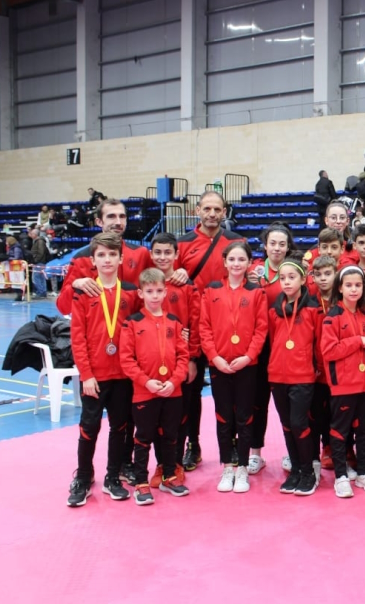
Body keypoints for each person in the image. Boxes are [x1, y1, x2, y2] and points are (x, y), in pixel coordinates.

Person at [66, 233, 142, 507]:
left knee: (120, 428)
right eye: (102, 255)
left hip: (123, 375)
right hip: (94, 377)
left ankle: (112, 477)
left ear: (121, 258)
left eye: (112, 254)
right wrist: (86, 374)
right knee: (89, 427)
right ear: (93, 260)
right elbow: (78, 337)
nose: (107, 260)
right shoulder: (84, 293)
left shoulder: (132, 293)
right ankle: (84, 477)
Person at [175, 191, 244, 472]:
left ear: (224, 211)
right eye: (207, 208)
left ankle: (235, 444)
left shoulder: (237, 242)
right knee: (189, 390)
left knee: (231, 392)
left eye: (217, 209)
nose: (212, 214)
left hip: (227, 327)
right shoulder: (182, 244)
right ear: (197, 210)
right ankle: (193, 443)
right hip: (191, 326)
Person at [199, 242, 268, 494]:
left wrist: (249, 357)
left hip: (247, 364)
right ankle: (227, 465)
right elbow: (204, 327)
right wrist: (214, 357)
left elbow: (262, 329)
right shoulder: (211, 290)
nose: (237, 264)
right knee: (223, 416)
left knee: (244, 416)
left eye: (242, 260)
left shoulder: (256, 292)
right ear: (225, 262)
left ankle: (242, 469)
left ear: (249, 263)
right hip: (219, 364)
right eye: (232, 259)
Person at [119, 268, 190, 505]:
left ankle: (169, 476)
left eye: (159, 291)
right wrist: (146, 381)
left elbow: (183, 356)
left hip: (172, 391)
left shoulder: (174, 322)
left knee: (171, 436)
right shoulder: (132, 323)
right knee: (144, 438)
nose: (155, 296)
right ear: (140, 293)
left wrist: (173, 381)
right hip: (144, 392)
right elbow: (126, 360)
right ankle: (141, 481)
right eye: (149, 291)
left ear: (165, 291)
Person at [320, 266, 365, 498]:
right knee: (340, 432)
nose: (354, 289)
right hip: (342, 386)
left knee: (364, 431)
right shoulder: (332, 317)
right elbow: (329, 351)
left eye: (358, 285)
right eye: (349, 285)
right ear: (340, 288)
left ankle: (364, 472)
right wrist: (357, 340)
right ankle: (341, 477)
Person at [147, 232, 200, 487]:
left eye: (168, 252)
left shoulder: (187, 287)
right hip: (152, 365)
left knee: (178, 416)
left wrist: (191, 358)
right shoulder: (145, 286)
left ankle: (175, 463)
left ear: (176, 255)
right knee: (156, 417)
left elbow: (196, 323)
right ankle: (160, 463)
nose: (162, 257)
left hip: (180, 362)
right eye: (158, 252)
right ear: (151, 254)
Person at [268, 254, 322, 497]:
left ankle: (309, 470)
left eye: (292, 277)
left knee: (300, 423)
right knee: (287, 425)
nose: (286, 282)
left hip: (302, 376)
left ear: (303, 279)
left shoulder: (312, 309)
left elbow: (319, 343)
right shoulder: (274, 310)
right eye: (282, 278)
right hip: (277, 376)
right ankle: (297, 470)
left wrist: (317, 368)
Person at [246, 223, 297, 476]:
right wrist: (249, 283)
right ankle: (255, 454)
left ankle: (291, 452)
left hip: (286, 346)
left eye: (282, 244)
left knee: (288, 403)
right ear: (265, 245)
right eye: (272, 243)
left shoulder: (294, 274)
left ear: (288, 247)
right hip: (259, 346)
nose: (277, 248)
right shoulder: (253, 273)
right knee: (257, 402)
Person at [56, 198, 154, 316]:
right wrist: (75, 285)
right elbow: (63, 308)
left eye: (122, 216)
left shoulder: (141, 254)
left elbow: (162, 284)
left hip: (133, 329)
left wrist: (179, 272)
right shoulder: (81, 259)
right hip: (98, 330)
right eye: (111, 216)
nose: (118, 222)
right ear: (99, 222)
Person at [310, 255, 338, 471]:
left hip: (339, 368)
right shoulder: (309, 301)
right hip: (317, 369)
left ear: (336, 274)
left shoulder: (344, 300)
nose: (323, 279)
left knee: (340, 412)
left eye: (328, 274)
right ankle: (325, 447)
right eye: (318, 275)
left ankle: (343, 448)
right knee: (319, 412)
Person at [28, 228, 49, 298]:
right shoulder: (39, 241)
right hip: (41, 261)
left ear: (35, 234)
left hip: (39, 262)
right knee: (41, 277)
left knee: (36, 278)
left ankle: (41, 292)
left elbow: (41, 252)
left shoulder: (39, 241)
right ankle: (42, 292)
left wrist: (36, 260)